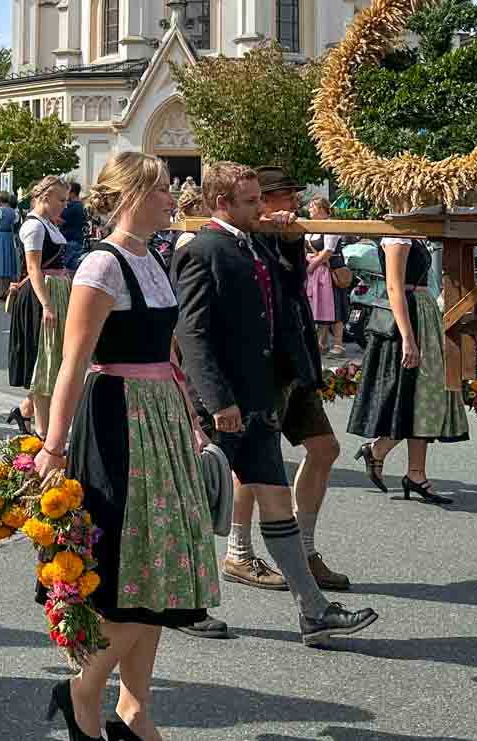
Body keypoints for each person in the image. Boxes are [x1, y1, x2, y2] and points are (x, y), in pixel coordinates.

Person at [33, 151, 219, 741]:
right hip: (120, 421)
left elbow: (166, 352)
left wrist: (190, 413)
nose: (174, 198)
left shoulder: (154, 257)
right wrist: (53, 445)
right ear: (134, 195)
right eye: (164, 189)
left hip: (161, 418)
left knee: (159, 568)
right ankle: (83, 689)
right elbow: (72, 364)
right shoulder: (100, 266)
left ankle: (135, 704)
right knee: (130, 570)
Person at [177, 162, 376, 646]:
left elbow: (289, 295)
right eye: (250, 201)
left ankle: (313, 612)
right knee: (199, 505)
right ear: (221, 203)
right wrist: (217, 400)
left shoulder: (255, 242)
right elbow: (193, 334)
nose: (260, 208)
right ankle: (183, 602)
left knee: (274, 498)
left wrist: (288, 241)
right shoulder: (202, 250)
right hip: (227, 402)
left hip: (262, 395)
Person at [260, 174, 352, 595]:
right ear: (262, 201)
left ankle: (306, 549)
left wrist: (291, 237)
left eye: (296, 197)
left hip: (294, 358)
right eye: (285, 197)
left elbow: (295, 284)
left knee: (325, 449)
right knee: (253, 463)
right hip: (265, 362)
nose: (293, 204)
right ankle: (239, 552)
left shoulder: (286, 234)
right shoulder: (247, 237)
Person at [348, 206, 469, 506]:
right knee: (411, 396)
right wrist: (408, 339)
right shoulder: (396, 237)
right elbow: (393, 288)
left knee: (425, 396)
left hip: (423, 314)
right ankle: (379, 451)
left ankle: (415, 473)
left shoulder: (411, 234)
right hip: (408, 319)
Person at [7, 176, 71, 436]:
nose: (64, 205)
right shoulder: (34, 226)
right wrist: (47, 304)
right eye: (61, 200)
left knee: (52, 358)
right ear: (45, 197)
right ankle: (43, 432)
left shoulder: (47, 224)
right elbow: (33, 268)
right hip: (41, 294)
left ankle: (24, 411)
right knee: (44, 361)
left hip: (55, 289)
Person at [304, 196, 347, 358]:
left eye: (312, 207)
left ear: (321, 209)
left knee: (335, 307)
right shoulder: (313, 228)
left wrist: (311, 266)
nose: (309, 209)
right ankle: (321, 343)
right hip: (316, 273)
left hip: (329, 272)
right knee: (321, 307)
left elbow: (328, 251)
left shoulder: (330, 225)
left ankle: (338, 345)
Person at [58, 179, 87, 269]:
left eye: (68, 192)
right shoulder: (81, 205)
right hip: (78, 240)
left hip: (70, 241)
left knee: (65, 269)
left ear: (73, 193)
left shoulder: (72, 207)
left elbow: (59, 219)